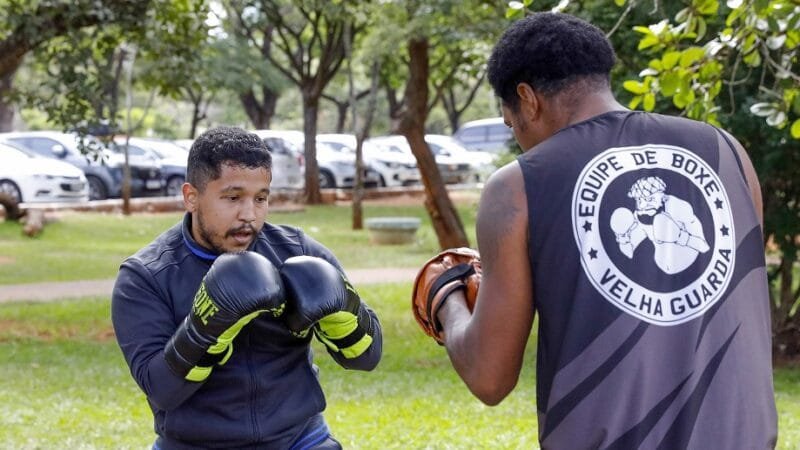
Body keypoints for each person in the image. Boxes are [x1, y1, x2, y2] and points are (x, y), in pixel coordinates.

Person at [427, 12, 777, 449]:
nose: (517, 137)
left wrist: (446, 299)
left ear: (527, 100)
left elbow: (489, 377)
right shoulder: (729, 153)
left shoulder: (517, 186)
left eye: (510, 124)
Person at [111, 126, 382, 449]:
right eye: (233, 198)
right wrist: (205, 328)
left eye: (261, 198)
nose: (249, 215)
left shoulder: (297, 251)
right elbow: (162, 390)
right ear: (191, 197)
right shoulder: (146, 276)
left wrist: (345, 315)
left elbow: (368, 357)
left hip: (299, 439)